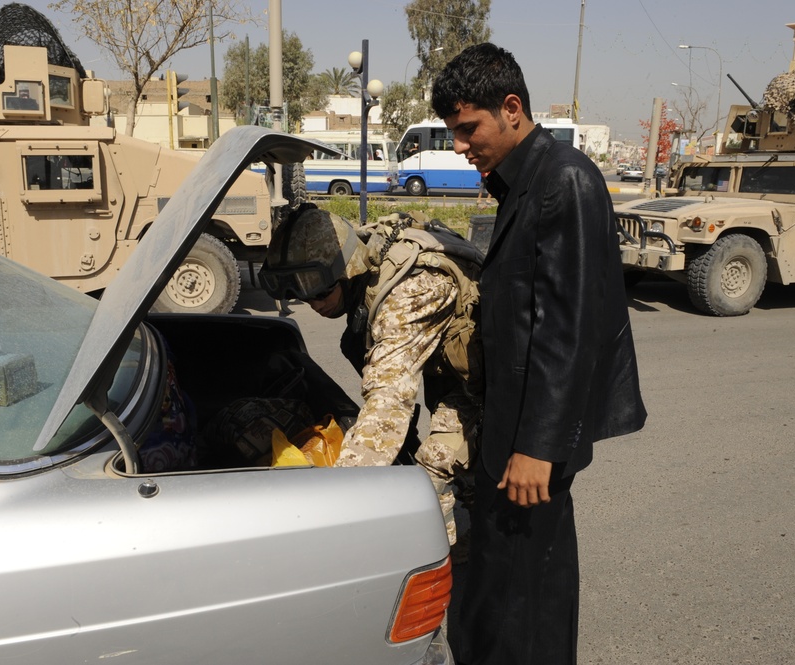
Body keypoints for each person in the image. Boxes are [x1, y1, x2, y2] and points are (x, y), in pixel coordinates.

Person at [431, 43, 647, 664]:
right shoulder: (521, 182)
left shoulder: (565, 181)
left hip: (533, 442)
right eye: (454, 132)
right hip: (511, 426)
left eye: (469, 129)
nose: (460, 146)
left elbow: (567, 331)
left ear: (512, 108)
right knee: (504, 587)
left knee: (530, 594)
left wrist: (538, 450)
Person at [258, 205, 483, 546]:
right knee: (459, 464)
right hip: (456, 369)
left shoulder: (409, 293)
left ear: (347, 271)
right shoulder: (366, 257)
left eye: (318, 288)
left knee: (433, 468)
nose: (313, 303)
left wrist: (340, 496)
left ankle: (441, 559)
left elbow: (388, 401)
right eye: (298, 291)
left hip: (498, 381)